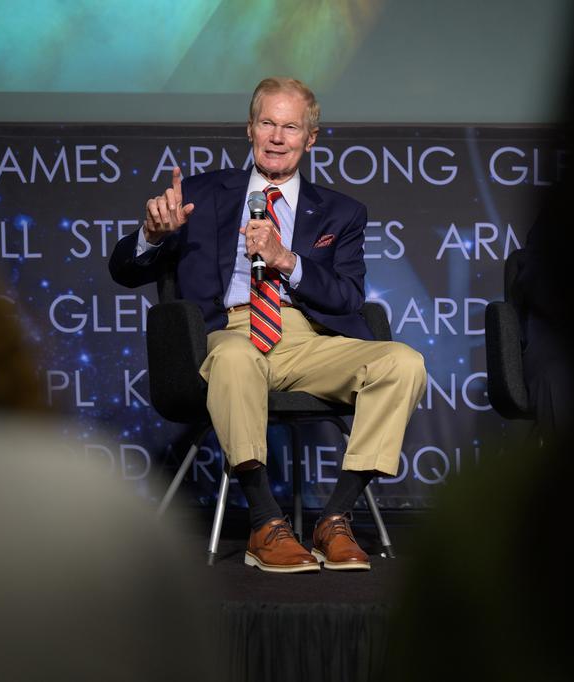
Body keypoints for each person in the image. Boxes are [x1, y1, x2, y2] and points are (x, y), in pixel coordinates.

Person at [110, 77, 428, 573]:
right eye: (267, 124)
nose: (277, 137)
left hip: (308, 341)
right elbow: (124, 271)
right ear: (250, 129)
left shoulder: (341, 212)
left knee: (403, 362)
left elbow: (347, 296)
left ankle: (335, 518)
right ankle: (264, 521)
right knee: (237, 357)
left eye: (290, 127)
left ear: (311, 137)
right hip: (227, 334)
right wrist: (151, 236)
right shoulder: (198, 193)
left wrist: (288, 260)